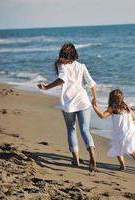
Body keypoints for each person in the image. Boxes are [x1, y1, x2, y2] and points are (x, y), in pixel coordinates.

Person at [37, 42, 98, 172]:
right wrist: (95, 99)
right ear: (74, 54)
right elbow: (92, 84)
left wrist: (46, 87)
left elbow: (62, 79)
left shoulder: (61, 65)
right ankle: (92, 153)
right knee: (85, 130)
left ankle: (76, 160)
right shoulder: (81, 66)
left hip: (69, 103)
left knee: (71, 129)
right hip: (83, 101)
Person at [92, 89, 135, 175]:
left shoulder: (112, 107)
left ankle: (122, 165)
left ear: (111, 98)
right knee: (131, 148)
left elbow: (102, 116)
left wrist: (94, 107)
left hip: (119, 131)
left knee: (118, 147)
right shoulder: (126, 107)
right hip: (131, 131)